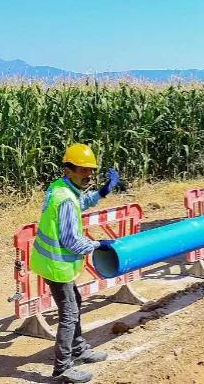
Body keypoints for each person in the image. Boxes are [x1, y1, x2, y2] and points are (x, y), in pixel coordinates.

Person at [29, 143, 121, 383]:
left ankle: (78, 350)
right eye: (82, 170)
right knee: (69, 314)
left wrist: (102, 192)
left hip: (51, 262)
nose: (88, 175)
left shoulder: (60, 189)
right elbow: (71, 241)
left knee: (75, 302)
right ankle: (62, 369)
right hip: (56, 265)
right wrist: (98, 245)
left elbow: (80, 203)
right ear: (68, 170)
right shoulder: (65, 199)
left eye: (90, 170)